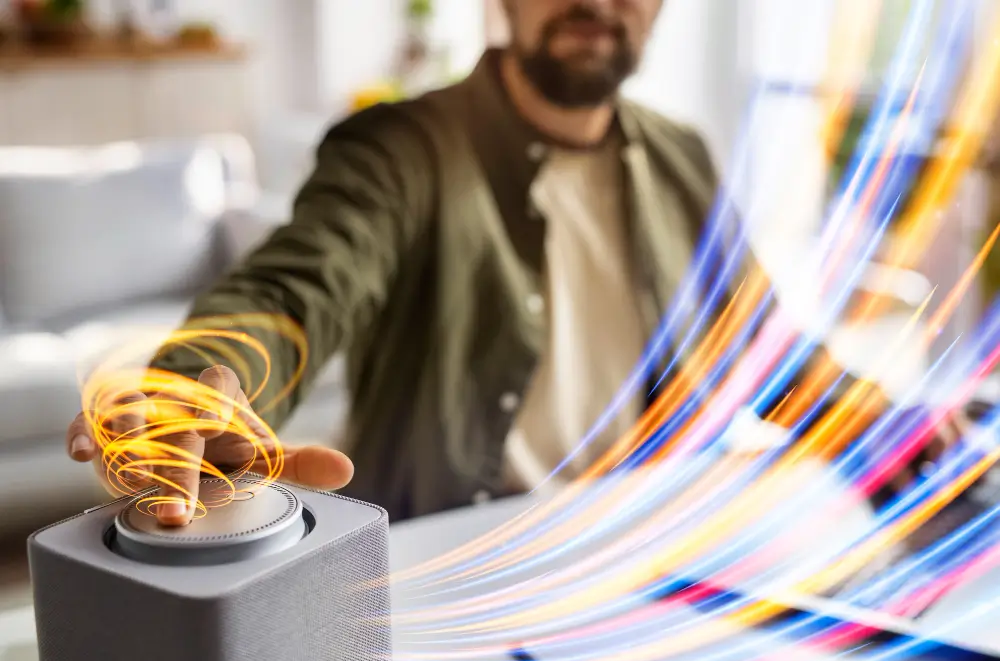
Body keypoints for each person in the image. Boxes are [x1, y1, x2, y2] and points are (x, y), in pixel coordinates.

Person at [64, 0, 962, 526]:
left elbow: (762, 348)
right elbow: (293, 289)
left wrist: (889, 429)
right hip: (451, 571)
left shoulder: (681, 155)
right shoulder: (400, 151)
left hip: (637, 553)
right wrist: (193, 391)